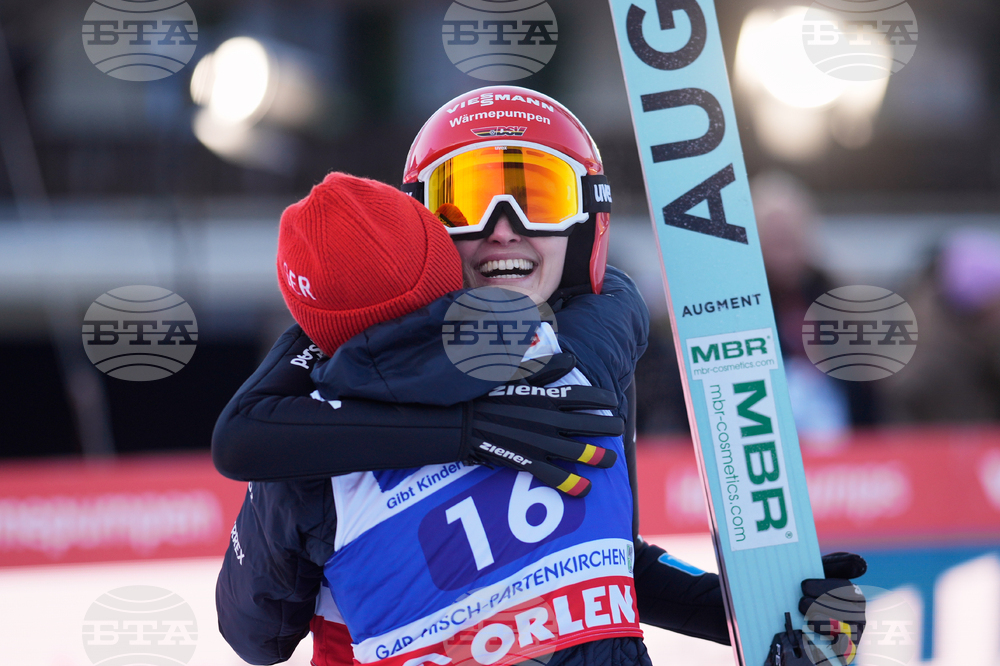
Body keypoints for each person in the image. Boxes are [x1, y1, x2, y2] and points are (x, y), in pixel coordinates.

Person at [215, 87, 867, 666]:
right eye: (467, 201)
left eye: (538, 197)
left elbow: (601, 560)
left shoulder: (595, 353)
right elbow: (255, 633)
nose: (504, 229)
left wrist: (750, 611)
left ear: (584, 221)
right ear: (421, 226)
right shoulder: (325, 415)